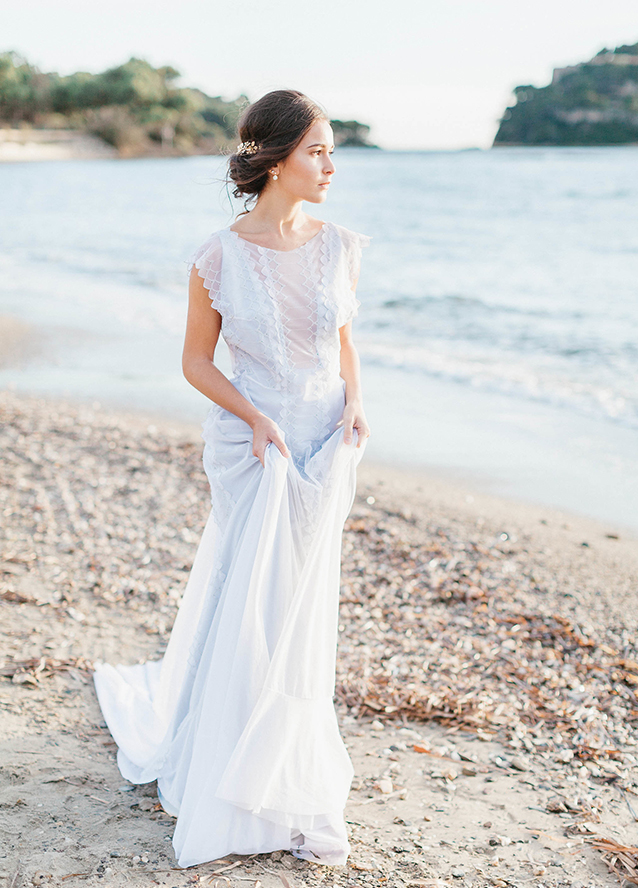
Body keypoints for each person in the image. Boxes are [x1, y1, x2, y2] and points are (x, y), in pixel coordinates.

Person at [92, 89, 372, 869]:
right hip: (257, 446)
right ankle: (228, 760)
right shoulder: (218, 255)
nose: (328, 165)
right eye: (316, 150)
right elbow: (193, 361)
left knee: (303, 602)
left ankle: (286, 754)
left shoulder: (342, 245)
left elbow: (345, 342)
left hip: (324, 441)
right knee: (251, 591)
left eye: (329, 150)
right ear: (277, 159)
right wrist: (254, 419)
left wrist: (357, 404)